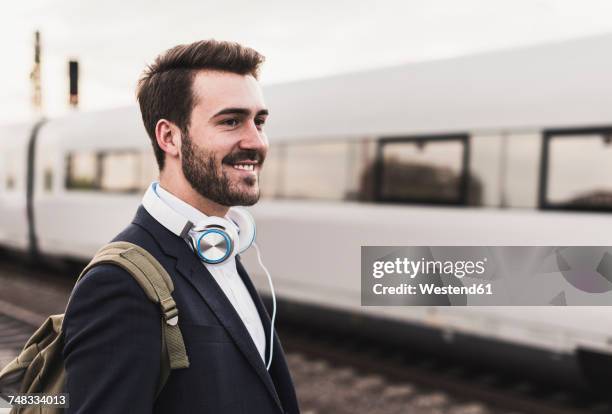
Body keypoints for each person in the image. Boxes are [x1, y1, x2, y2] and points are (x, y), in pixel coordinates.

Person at [62, 39, 300, 414]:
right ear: (169, 137)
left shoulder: (220, 247)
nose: (256, 141)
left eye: (260, 121)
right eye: (231, 121)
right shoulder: (117, 284)